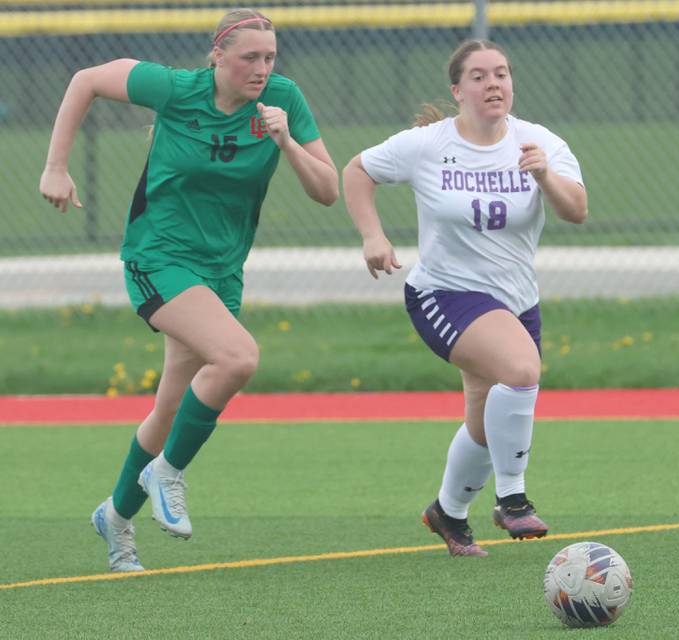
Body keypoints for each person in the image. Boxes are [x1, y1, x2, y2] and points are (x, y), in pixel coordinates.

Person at [39, 8, 338, 572]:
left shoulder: (282, 100)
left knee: (172, 403)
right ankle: (167, 473)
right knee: (238, 356)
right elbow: (86, 80)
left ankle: (117, 518)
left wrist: (287, 143)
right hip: (159, 255)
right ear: (218, 55)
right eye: (250, 57)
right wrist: (56, 166)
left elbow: (327, 190)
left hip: (222, 271)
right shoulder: (176, 89)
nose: (261, 68)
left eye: (270, 57)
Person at [343, 39, 587, 557]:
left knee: (484, 421)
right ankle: (512, 498)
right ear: (457, 90)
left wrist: (544, 175)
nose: (493, 83)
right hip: (443, 293)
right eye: (478, 76)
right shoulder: (428, 144)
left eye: (501, 73)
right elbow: (357, 170)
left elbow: (577, 210)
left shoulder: (537, 142)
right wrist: (373, 235)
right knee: (522, 372)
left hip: (516, 301)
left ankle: (448, 514)